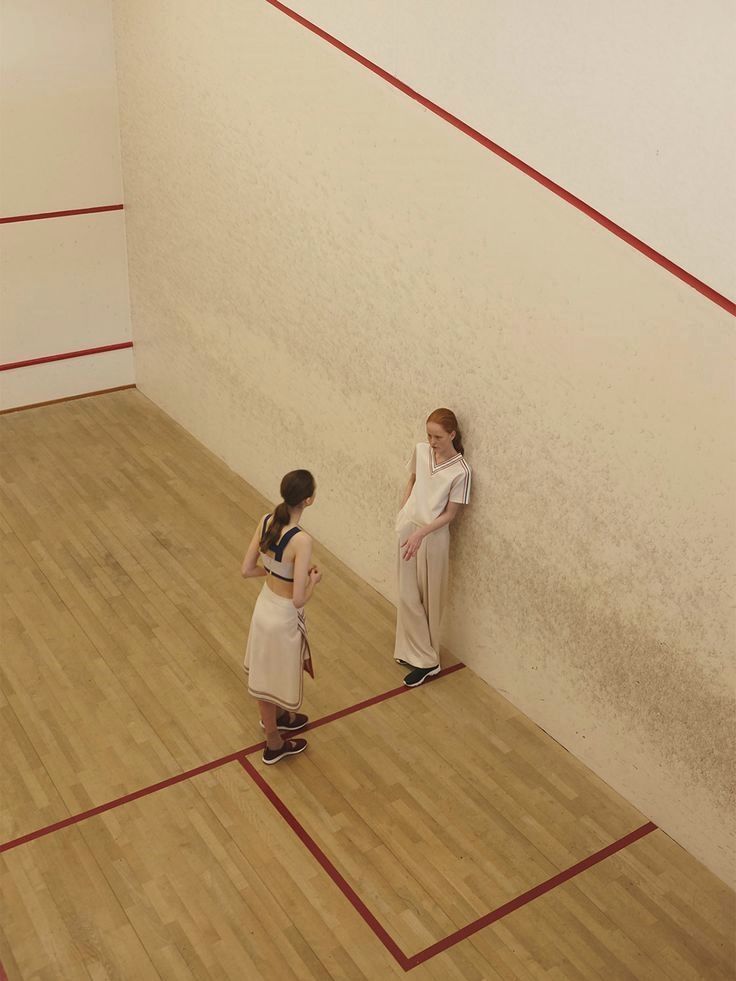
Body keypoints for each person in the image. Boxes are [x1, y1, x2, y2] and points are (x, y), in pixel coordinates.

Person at [242, 470, 321, 763]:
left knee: (266, 672)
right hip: (284, 617)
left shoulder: (266, 520)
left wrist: (275, 572)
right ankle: (273, 743)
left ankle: (280, 718)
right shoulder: (302, 541)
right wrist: (314, 580)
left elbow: (247, 569)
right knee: (270, 679)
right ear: (309, 500)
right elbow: (299, 598)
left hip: (263, 606)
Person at [394, 408, 471, 686]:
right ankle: (413, 652)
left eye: (438, 436)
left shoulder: (462, 471)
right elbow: (413, 480)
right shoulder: (421, 451)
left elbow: (450, 515)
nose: (432, 441)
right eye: (429, 434)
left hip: (434, 538)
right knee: (406, 594)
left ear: (452, 434)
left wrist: (421, 534)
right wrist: (403, 512)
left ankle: (429, 662)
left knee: (430, 598)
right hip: (408, 529)